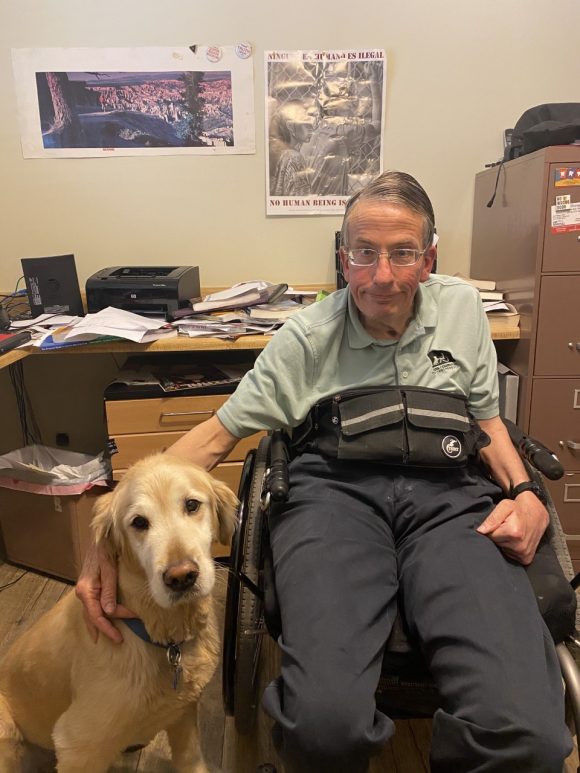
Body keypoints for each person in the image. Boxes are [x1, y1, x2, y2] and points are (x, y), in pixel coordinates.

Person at [77, 170, 572, 773]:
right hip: (334, 497)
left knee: (528, 733)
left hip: (450, 499)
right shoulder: (306, 339)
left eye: (401, 253)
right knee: (321, 727)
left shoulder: (463, 310)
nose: (380, 276)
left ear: (429, 258)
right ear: (343, 258)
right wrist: (105, 536)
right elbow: (209, 441)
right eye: (364, 254)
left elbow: (489, 421)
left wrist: (524, 492)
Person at [268, 100, 317, 197]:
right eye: (305, 123)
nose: (312, 128)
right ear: (290, 126)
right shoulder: (294, 158)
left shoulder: (277, 151)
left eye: (312, 124)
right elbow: (300, 202)